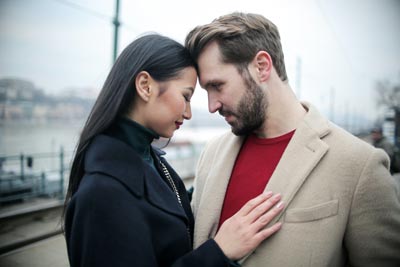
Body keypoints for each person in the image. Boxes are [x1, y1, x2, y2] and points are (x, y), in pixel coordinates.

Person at [185, 12, 400, 266]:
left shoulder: (359, 164)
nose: (212, 105)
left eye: (217, 86)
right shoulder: (212, 153)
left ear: (262, 66)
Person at [63, 33, 285, 267]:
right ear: (145, 86)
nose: (189, 113)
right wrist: (219, 251)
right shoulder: (102, 194)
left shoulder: (148, 159)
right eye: (186, 96)